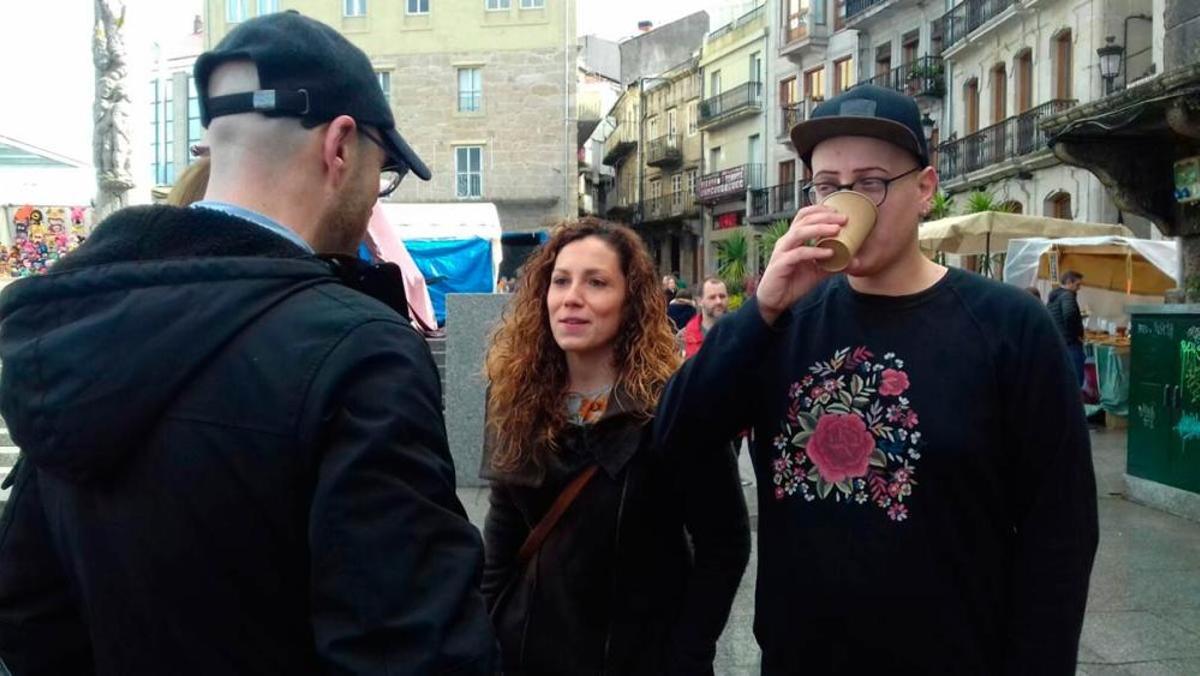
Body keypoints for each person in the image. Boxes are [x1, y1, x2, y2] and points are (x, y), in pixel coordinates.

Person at [0, 11, 494, 675]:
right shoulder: (359, 353)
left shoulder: (77, 322)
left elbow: (28, 612)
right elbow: (416, 652)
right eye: (382, 173)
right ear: (341, 146)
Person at [655, 85, 1098, 673]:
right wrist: (760, 308)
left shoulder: (1009, 326)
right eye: (827, 185)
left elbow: (1059, 530)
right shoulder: (781, 325)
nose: (844, 202)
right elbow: (674, 438)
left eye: (869, 183)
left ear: (924, 189)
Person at [480, 218, 750, 675]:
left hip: (641, 656)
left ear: (630, 301)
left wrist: (688, 653)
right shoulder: (514, 397)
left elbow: (725, 543)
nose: (571, 297)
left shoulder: (674, 405)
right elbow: (505, 529)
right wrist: (483, 639)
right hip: (531, 652)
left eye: (597, 282)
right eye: (560, 281)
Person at [1048, 271, 1087, 385]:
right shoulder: (1068, 296)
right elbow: (1069, 315)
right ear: (1069, 282)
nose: (1079, 288)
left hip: (1058, 342)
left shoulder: (1054, 298)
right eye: (1077, 285)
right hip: (1070, 343)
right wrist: (1077, 335)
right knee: (1075, 379)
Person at [680, 275, 729, 359]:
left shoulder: (741, 331)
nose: (719, 301)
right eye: (712, 297)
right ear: (699, 301)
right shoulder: (683, 338)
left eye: (722, 296)